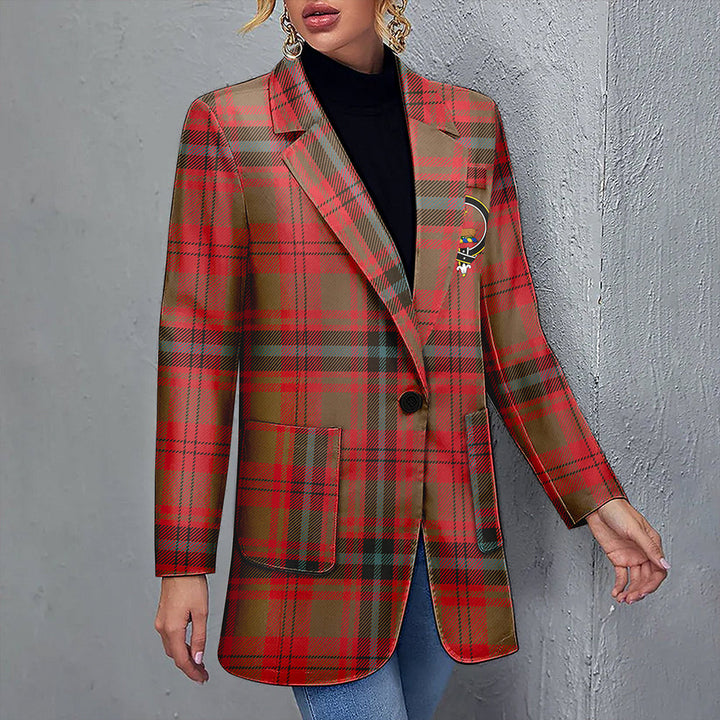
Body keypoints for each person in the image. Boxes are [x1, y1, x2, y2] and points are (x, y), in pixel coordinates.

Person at [153, 2, 670, 718]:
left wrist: (595, 497)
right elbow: (196, 353)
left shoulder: (470, 124)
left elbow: (512, 339)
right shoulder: (231, 126)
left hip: (445, 515)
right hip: (316, 519)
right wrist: (183, 560)